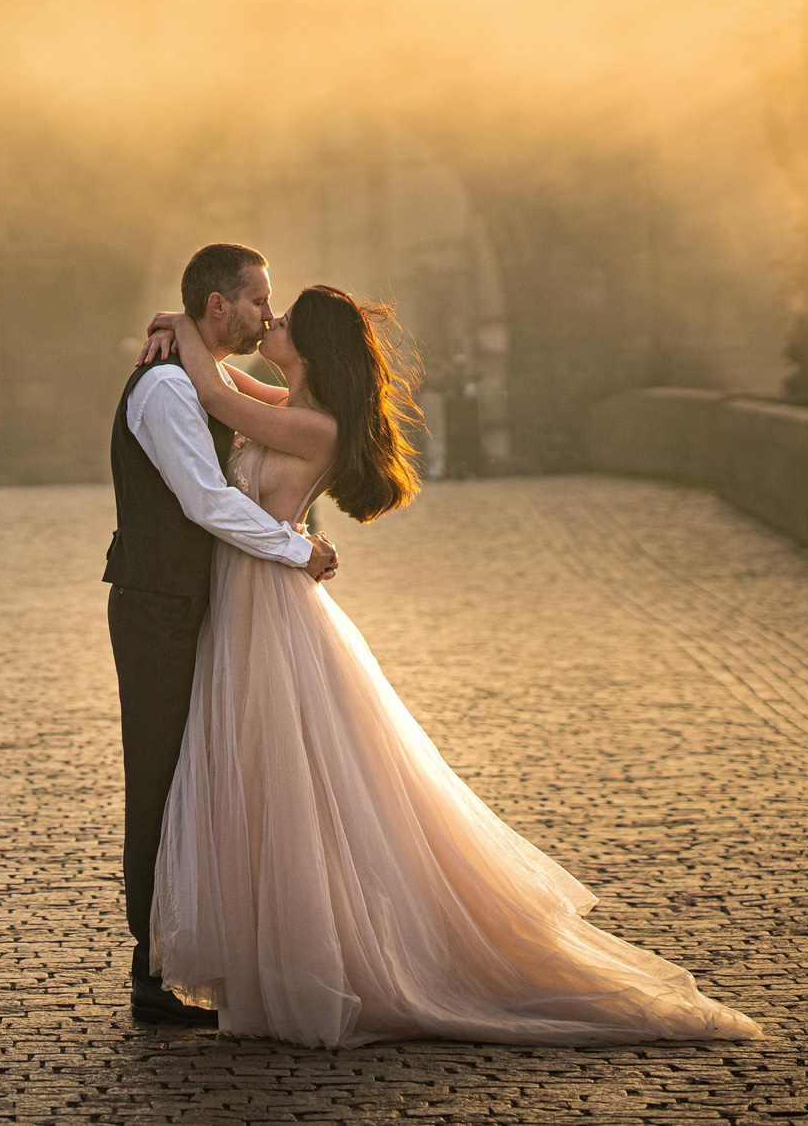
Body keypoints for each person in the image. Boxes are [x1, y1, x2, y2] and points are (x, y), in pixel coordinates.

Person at [130, 272, 764, 1049]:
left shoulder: (317, 426)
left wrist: (184, 327)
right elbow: (220, 379)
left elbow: (217, 396)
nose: (272, 323)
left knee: (297, 783)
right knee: (263, 777)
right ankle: (275, 959)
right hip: (247, 601)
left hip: (269, 608)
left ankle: (323, 960)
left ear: (314, 347)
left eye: (285, 317)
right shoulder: (291, 407)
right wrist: (180, 321)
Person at [106, 243, 334, 1026]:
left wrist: (179, 326)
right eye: (257, 299)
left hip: (199, 602)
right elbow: (205, 501)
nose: (266, 313)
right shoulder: (169, 388)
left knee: (202, 774)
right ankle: (150, 966)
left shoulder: (194, 376)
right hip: (158, 603)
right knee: (161, 775)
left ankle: (194, 951)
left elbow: (236, 399)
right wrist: (298, 548)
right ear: (218, 306)